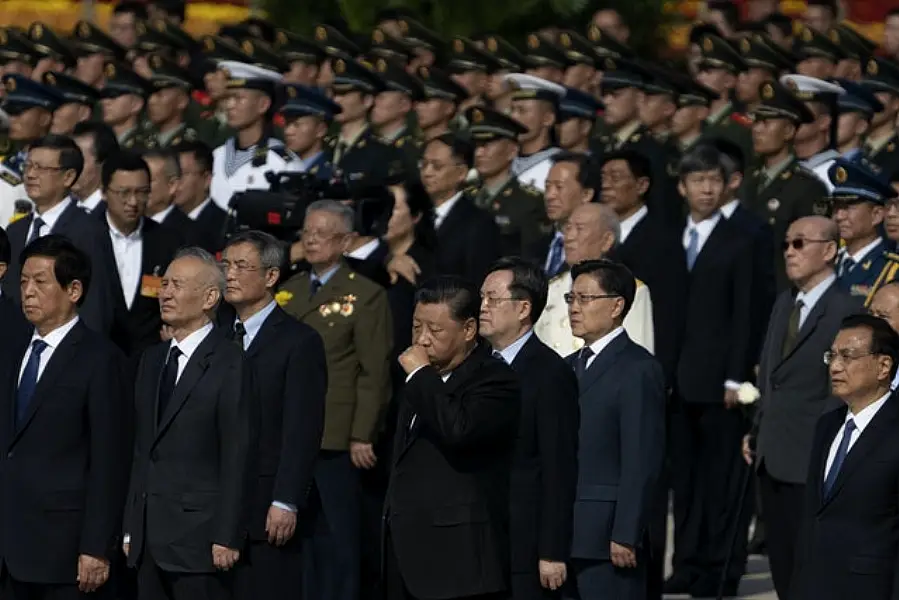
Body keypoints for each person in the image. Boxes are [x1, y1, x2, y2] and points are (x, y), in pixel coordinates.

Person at [0, 235, 130, 600]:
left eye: (40, 282)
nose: (27, 291)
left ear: (73, 290)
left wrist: (96, 546)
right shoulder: (14, 350)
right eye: (23, 281)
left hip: (65, 553)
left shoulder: (101, 360)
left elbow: (110, 461)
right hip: (10, 550)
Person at [123, 247, 254, 600]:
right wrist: (130, 527)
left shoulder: (230, 361)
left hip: (200, 540)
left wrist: (227, 534)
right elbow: (142, 450)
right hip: (148, 540)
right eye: (164, 284)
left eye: (177, 285)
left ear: (210, 297)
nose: (165, 293)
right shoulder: (152, 360)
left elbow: (236, 452)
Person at [278, 200, 392, 600]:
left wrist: (363, 433)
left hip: (336, 432)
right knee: (298, 535)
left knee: (340, 536)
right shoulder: (288, 290)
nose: (310, 239)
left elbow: (373, 370)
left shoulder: (366, 294)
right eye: (307, 231)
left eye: (321, 233)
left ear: (345, 241)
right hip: (291, 430)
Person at [386, 275, 521, 600]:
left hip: (458, 563)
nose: (422, 340)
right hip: (405, 553)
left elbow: (459, 430)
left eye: (435, 330)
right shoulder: (418, 378)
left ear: (469, 329)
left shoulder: (494, 379)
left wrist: (420, 376)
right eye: (417, 327)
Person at [744, 215, 857, 597]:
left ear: (828, 251)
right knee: (782, 562)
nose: (789, 252)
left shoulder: (844, 308)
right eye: (787, 244)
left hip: (811, 455)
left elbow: (840, 390)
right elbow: (771, 378)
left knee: (810, 566)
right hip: (773, 455)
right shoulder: (785, 303)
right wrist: (759, 426)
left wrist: (825, 449)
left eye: (800, 243)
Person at [667, 145, 756, 597]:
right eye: (698, 180)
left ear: (726, 186)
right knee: (684, 483)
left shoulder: (742, 237)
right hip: (677, 382)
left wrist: (736, 377)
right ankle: (686, 563)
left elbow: (745, 312)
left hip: (720, 383)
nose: (706, 188)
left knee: (721, 482)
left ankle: (722, 570)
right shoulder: (671, 234)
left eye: (714, 180)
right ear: (682, 186)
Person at [222, 231, 327, 600]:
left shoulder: (299, 341)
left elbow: (303, 428)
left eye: (241, 266)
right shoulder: (217, 336)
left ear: (270, 276)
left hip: (266, 505)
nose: (229, 275)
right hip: (217, 505)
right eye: (225, 266)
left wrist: (286, 499)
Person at [564, 259, 666, 600]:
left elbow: (641, 457)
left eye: (584, 299)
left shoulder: (637, 368)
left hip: (609, 536)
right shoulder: (568, 366)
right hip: (565, 532)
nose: (574, 308)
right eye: (570, 298)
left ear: (617, 304)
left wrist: (626, 531)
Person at [479, 258, 579, 599]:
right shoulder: (477, 366)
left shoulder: (549, 373)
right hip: (480, 538)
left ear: (524, 308)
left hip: (524, 542)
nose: (482, 307)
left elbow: (558, 467)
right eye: (482, 298)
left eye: (493, 299)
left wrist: (551, 550)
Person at [791, 314, 899, 600]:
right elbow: (813, 517)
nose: (835, 367)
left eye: (848, 356)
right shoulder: (827, 425)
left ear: (883, 366)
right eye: (833, 356)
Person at [2, 135, 118, 334]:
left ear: (68, 177)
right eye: (28, 166)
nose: (30, 174)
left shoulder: (88, 231)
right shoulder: (15, 230)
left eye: (41, 168)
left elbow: (96, 306)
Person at [535, 203, 654, 356]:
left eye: (580, 229)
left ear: (606, 240)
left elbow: (637, 360)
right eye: (568, 228)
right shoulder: (552, 288)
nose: (569, 237)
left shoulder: (630, 291)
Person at [102, 152, 182, 358]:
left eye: (142, 192)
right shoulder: (83, 238)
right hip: (97, 359)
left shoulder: (166, 241)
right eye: (124, 192)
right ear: (104, 192)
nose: (133, 201)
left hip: (148, 360)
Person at [210, 61, 302, 209]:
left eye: (239, 98)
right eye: (228, 98)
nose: (230, 105)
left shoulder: (284, 165)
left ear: (263, 105)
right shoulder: (217, 156)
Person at [420, 133, 501, 284]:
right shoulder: (415, 214)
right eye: (423, 165)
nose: (427, 173)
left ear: (461, 173)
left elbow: (476, 281)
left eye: (436, 166)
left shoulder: (478, 224)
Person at [829, 158, 893, 303]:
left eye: (848, 207)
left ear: (876, 215)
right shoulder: (827, 261)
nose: (839, 216)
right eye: (836, 207)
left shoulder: (890, 269)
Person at [174, 141, 228, 254]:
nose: (175, 182)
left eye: (182, 174)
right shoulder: (164, 223)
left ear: (207, 179)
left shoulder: (223, 227)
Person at [71, 122, 120, 215]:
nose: (71, 166)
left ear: (104, 164)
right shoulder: (64, 211)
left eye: (79, 159)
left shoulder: (115, 217)